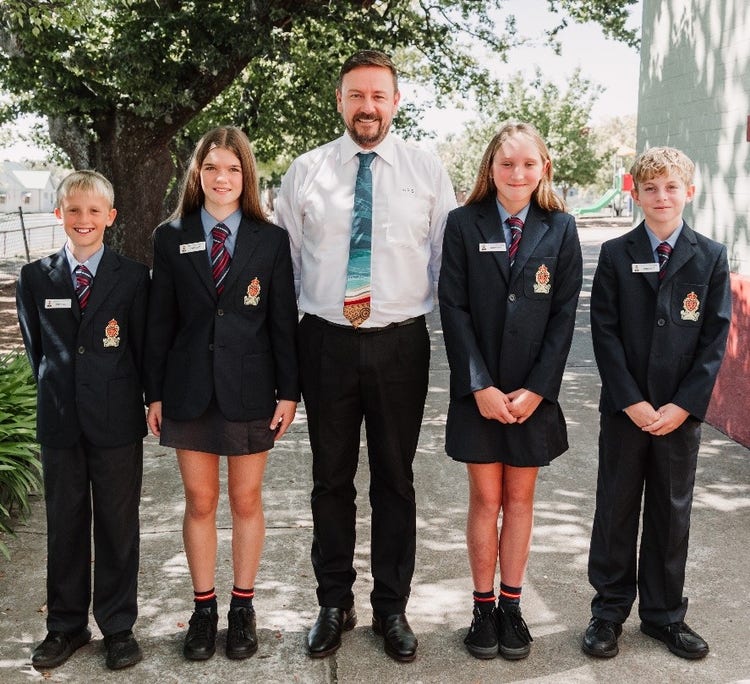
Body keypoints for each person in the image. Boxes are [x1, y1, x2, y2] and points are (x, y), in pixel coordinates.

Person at [274, 49, 456, 663]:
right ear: (340, 101)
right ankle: (333, 602)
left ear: (396, 102)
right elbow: (288, 267)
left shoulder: (426, 171)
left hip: (400, 342)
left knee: (395, 481)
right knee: (330, 480)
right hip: (324, 342)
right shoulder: (306, 171)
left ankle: (391, 608)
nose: (368, 107)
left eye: (379, 96)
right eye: (357, 95)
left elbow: (441, 264)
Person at [144, 126, 299, 662]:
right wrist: (154, 393)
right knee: (201, 501)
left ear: (246, 176)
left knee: (246, 499)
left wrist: (290, 391)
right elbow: (158, 322)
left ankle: (242, 607)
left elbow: (282, 323)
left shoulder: (270, 239)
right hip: (187, 390)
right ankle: (204, 608)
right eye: (211, 168)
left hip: (252, 389)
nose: (222, 178)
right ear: (197, 173)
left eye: (233, 169)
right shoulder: (171, 236)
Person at [438, 123, 583, 660]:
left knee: (519, 500)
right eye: (506, 164)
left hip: (530, 397)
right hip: (480, 393)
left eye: (528, 164)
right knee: (486, 498)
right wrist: (479, 385)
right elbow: (451, 307)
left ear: (543, 167)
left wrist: (538, 390)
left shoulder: (561, 229)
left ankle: (512, 607)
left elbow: (564, 317)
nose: (517, 173)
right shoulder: (462, 223)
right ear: (489, 169)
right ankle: (482, 609)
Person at [582, 146, 731, 660]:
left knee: (671, 514)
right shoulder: (616, 253)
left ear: (689, 191)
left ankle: (665, 616)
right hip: (626, 413)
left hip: (678, 416)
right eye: (650, 188)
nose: (661, 196)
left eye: (671, 187)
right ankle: (607, 613)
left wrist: (685, 405)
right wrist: (630, 401)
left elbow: (715, 339)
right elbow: (604, 332)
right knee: (616, 509)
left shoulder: (710, 256)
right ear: (636, 193)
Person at [16, 170, 149, 671]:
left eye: (95, 211)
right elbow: (37, 350)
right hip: (61, 421)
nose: (84, 219)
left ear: (110, 218)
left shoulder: (134, 277)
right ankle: (66, 626)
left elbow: (141, 349)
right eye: (74, 210)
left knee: (118, 525)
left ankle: (117, 626)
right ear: (59, 215)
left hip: (116, 422)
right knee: (65, 524)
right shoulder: (35, 278)